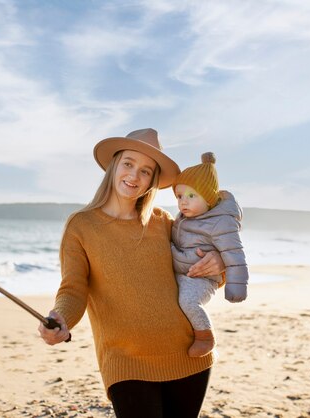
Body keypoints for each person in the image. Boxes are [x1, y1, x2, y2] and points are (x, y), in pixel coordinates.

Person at [38, 129, 226, 418]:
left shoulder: (164, 222)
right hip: (125, 363)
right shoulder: (81, 225)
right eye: (128, 163)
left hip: (188, 356)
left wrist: (218, 263)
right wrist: (61, 317)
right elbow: (73, 289)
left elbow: (199, 260)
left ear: (152, 180)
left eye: (146, 170)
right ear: (115, 165)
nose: (135, 175)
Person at [171, 152, 249, 358]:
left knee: (188, 302)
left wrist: (236, 287)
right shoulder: (184, 218)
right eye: (179, 196)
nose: (183, 202)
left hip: (202, 278)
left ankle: (205, 336)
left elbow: (234, 254)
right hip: (184, 271)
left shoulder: (220, 221)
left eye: (191, 195)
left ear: (208, 197)